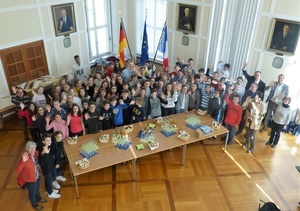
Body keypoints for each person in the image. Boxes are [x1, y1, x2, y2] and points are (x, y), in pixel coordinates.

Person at [16, 141, 47, 210]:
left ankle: (38, 198)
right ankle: (34, 204)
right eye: (30, 148)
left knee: (37, 188)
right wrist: (23, 161)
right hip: (30, 179)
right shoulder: (25, 158)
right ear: (27, 149)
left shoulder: (36, 153)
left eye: (34, 148)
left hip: (37, 176)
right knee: (32, 192)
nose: (33, 150)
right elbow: (17, 170)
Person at [37, 134, 61, 199]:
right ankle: (50, 193)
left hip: (49, 167)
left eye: (50, 140)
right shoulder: (43, 150)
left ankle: (48, 190)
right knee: (49, 180)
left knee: (48, 180)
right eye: (47, 140)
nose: (49, 142)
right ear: (43, 141)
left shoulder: (47, 147)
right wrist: (46, 154)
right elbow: (41, 162)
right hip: (46, 169)